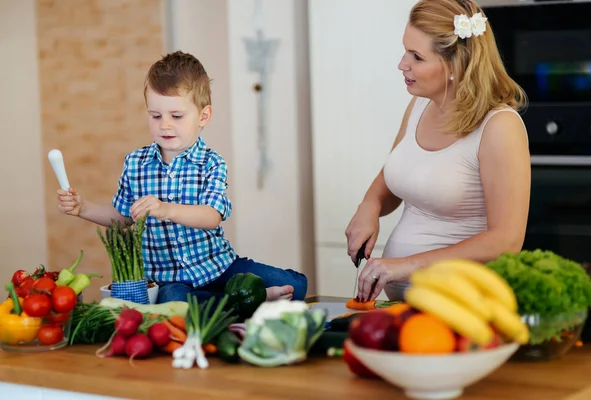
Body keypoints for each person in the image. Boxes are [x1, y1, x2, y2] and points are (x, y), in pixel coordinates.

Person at [56, 51, 307, 304]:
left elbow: (211, 216)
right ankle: (247, 300)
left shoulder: (211, 162)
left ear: (203, 116)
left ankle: (232, 298)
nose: (165, 125)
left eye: (176, 116)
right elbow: (122, 217)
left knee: (297, 286)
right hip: (170, 280)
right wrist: (83, 208)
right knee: (176, 306)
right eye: (156, 116)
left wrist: (165, 209)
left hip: (217, 267)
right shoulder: (135, 163)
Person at [345, 0, 530, 302]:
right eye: (405, 50)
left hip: (466, 302)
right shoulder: (420, 105)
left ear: (456, 65)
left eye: (416, 57)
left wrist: (405, 266)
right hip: (400, 304)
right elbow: (397, 174)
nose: (402, 64)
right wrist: (370, 207)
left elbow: (506, 241)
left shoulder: (499, 127)